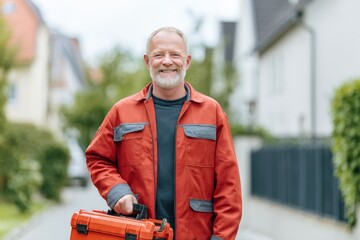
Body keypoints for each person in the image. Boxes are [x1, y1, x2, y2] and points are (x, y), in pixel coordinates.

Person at [86, 26, 242, 240]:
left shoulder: (211, 112)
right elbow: (97, 158)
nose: (167, 61)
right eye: (158, 55)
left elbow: (229, 187)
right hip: (137, 232)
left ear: (187, 61)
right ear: (147, 61)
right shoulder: (122, 112)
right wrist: (117, 192)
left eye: (175, 55)